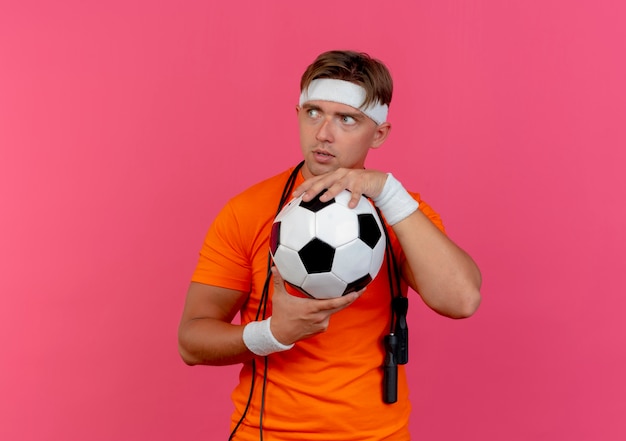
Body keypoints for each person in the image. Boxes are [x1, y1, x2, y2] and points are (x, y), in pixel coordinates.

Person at [178, 50, 482, 440]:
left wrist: (389, 193)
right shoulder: (247, 211)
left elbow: (462, 300)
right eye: (313, 112)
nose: (323, 133)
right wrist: (272, 333)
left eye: (347, 119)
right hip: (267, 434)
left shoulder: (404, 213)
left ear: (379, 134)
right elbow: (191, 341)